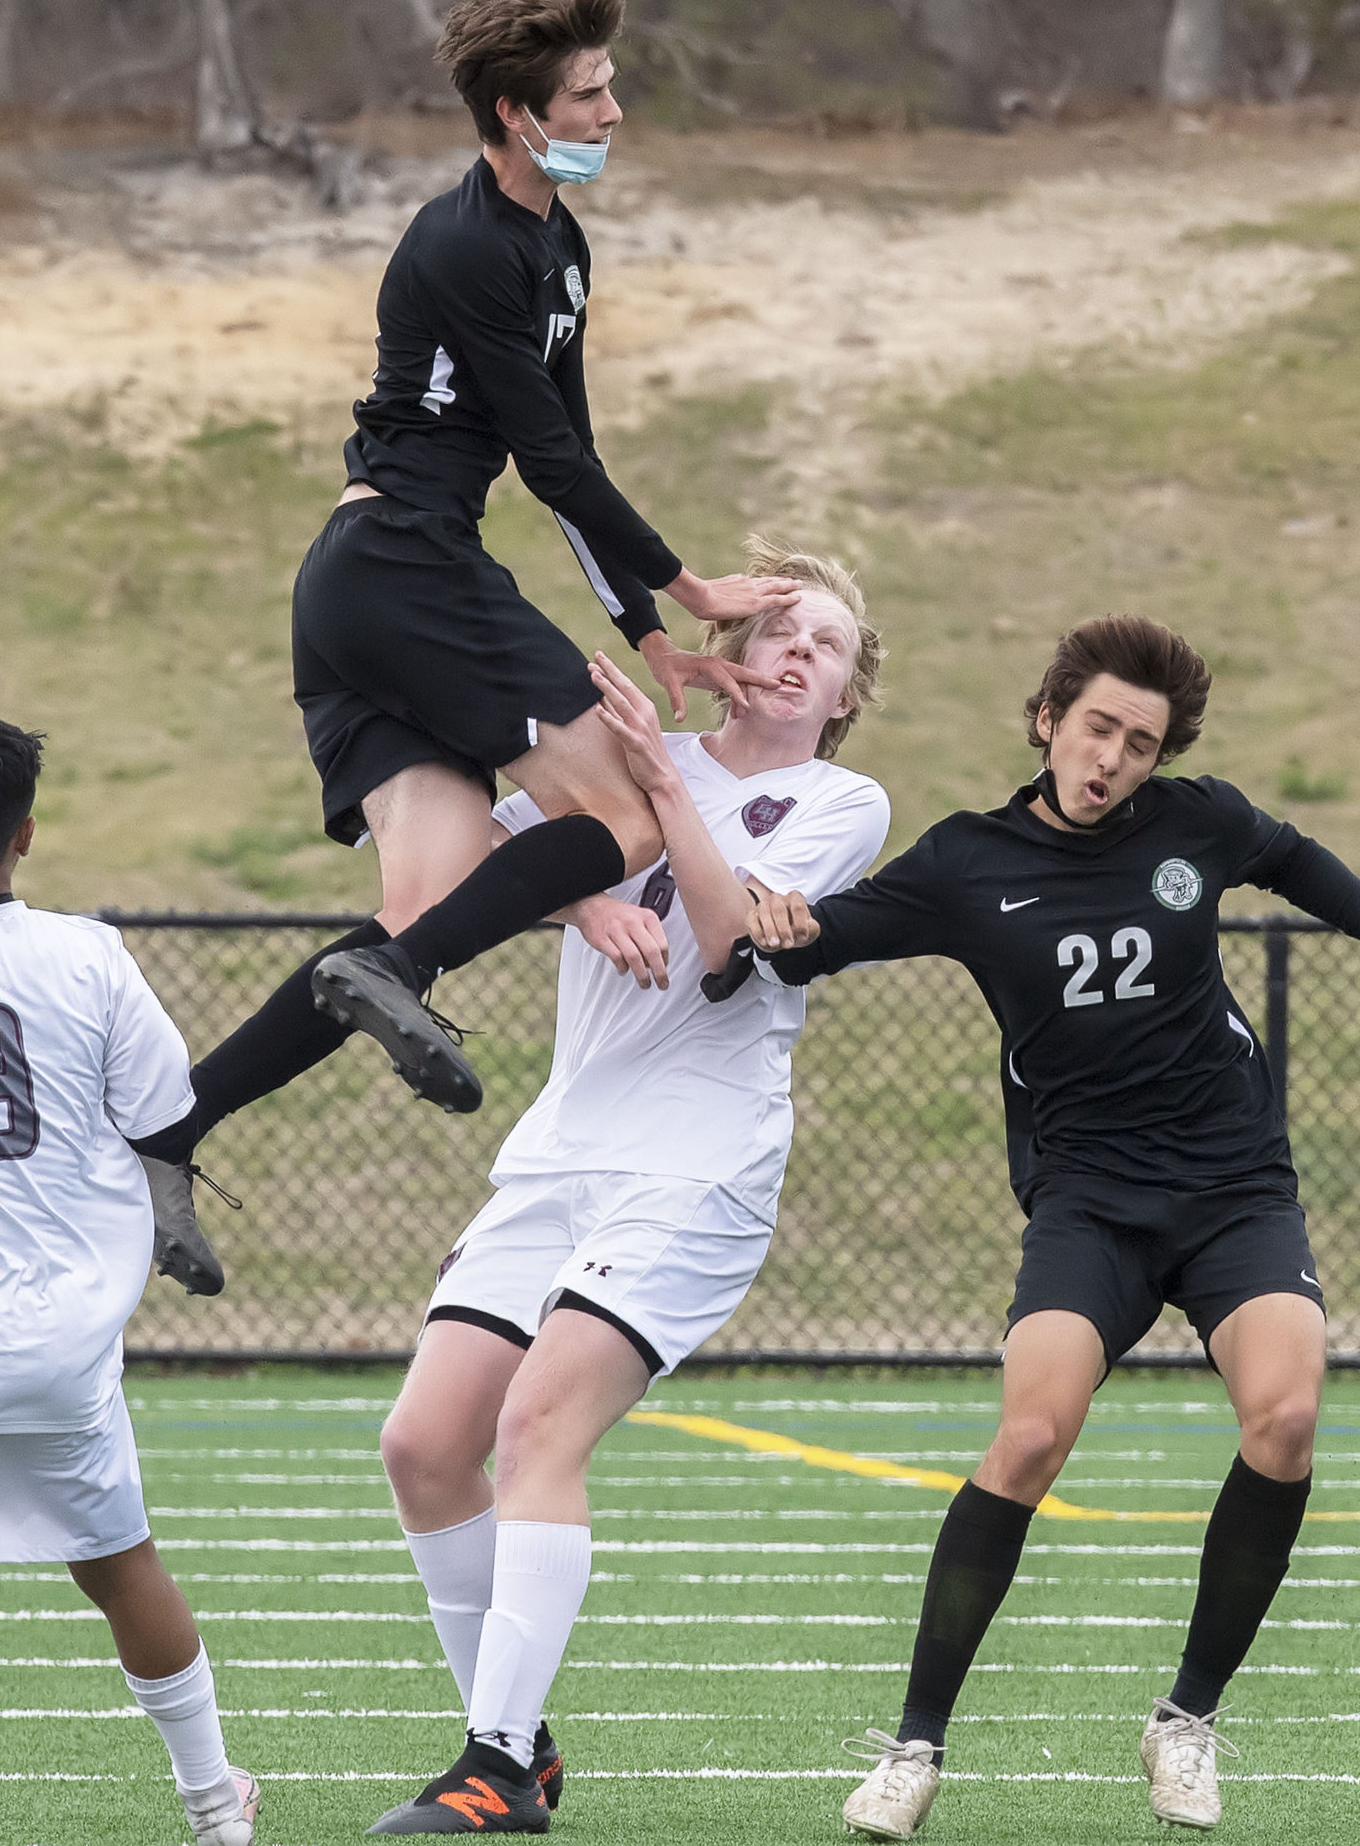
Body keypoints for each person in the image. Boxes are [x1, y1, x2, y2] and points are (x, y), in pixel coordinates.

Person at [737, 615, 1360, 1836]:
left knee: (1289, 1417)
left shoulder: (1196, 823)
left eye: (1140, 743)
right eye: (1098, 727)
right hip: (1089, 1195)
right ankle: (915, 1746)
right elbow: (824, 940)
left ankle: (1184, 1719)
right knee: (1032, 1434)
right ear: (1049, 721)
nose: (1115, 759)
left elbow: (1296, 858)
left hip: (1231, 1184)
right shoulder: (967, 861)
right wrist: (774, 932)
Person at [133, 0, 796, 1291]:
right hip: (403, 565)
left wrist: (645, 635)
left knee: (414, 911)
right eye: (589, 93)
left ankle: (168, 1132)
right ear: (511, 113)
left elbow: (571, 446)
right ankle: (405, 976)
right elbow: (549, 464)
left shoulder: (558, 241)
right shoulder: (464, 247)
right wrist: (692, 590)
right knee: (622, 816)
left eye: (609, 85)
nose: (614, 113)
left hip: (361, 584)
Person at [366, 544, 891, 1834]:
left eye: (820, 645)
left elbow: (726, 939)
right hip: (562, 1146)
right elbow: (459, 872)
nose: (791, 652)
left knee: (540, 1421)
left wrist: (660, 780)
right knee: (425, 1446)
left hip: (696, 1159)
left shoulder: (844, 800)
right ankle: (523, 1747)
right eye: (774, 628)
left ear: (843, 694)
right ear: (731, 655)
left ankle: (487, 1765)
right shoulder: (632, 752)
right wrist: (585, 890)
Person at [0, 714, 259, 1846]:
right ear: (26, 832)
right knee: (122, 1568)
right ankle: (217, 1805)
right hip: (70, 1335)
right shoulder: (92, 952)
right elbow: (167, 1114)